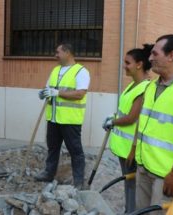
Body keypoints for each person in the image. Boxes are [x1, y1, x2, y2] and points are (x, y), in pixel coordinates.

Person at [127, 34, 173, 214]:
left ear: (171, 55)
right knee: (142, 211)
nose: (150, 58)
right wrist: (134, 147)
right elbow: (143, 120)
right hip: (144, 166)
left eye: (155, 54)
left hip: (167, 175)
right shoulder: (151, 86)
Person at [102, 44, 153, 213]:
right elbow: (125, 111)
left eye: (127, 62)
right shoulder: (132, 85)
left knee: (133, 186)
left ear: (139, 64)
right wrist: (114, 117)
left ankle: (132, 212)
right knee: (128, 184)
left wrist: (114, 122)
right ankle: (128, 210)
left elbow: (132, 118)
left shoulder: (145, 88)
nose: (124, 66)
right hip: (124, 148)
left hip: (132, 149)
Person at [35, 43, 90, 189]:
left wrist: (57, 93)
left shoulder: (81, 71)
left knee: (75, 151)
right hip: (53, 119)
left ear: (67, 52)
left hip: (70, 120)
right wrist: (44, 93)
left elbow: (80, 94)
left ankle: (78, 181)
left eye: (57, 52)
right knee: (52, 148)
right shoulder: (55, 70)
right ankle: (48, 173)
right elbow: (48, 89)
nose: (55, 55)